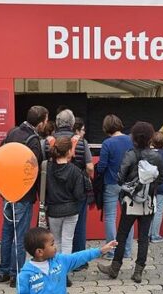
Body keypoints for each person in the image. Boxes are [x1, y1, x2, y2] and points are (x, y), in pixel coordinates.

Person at [98, 122, 163, 283]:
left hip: (130, 201)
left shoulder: (130, 154)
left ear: (134, 137)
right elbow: (161, 178)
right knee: (143, 238)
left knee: (121, 235)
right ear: (151, 137)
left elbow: (120, 177)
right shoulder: (157, 156)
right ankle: (138, 272)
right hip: (149, 202)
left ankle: (115, 268)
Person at [0, 106, 46, 288]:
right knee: (20, 235)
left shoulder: (12, 133)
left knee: (7, 231)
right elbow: (35, 168)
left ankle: (3, 270)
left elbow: (0, 156)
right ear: (41, 122)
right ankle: (15, 274)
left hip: (7, 191)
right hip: (23, 194)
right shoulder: (33, 140)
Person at [44, 110, 94, 256]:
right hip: (76, 191)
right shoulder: (81, 142)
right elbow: (90, 166)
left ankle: (57, 265)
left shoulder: (46, 142)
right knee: (77, 228)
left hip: (53, 195)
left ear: (57, 123)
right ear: (72, 124)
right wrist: (86, 178)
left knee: (56, 237)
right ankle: (78, 260)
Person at [96, 114, 135, 260]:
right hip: (129, 184)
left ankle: (111, 251)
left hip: (111, 183)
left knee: (110, 217)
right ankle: (126, 251)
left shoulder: (107, 143)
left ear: (106, 128)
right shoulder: (131, 140)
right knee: (128, 217)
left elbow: (101, 166)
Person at [46, 136, 86, 257]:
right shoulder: (75, 170)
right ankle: (65, 270)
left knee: (56, 241)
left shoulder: (46, 168)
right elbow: (79, 195)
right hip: (71, 210)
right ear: (69, 151)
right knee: (68, 241)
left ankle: (57, 269)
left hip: (53, 210)